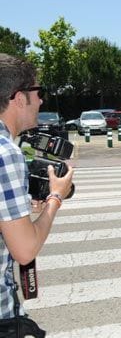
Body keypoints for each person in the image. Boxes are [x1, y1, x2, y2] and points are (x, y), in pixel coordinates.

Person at [0, 54, 74, 325]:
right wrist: (56, 196)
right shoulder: (6, 153)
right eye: (38, 92)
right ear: (19, 98)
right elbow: (25, 250)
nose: (41, 100)